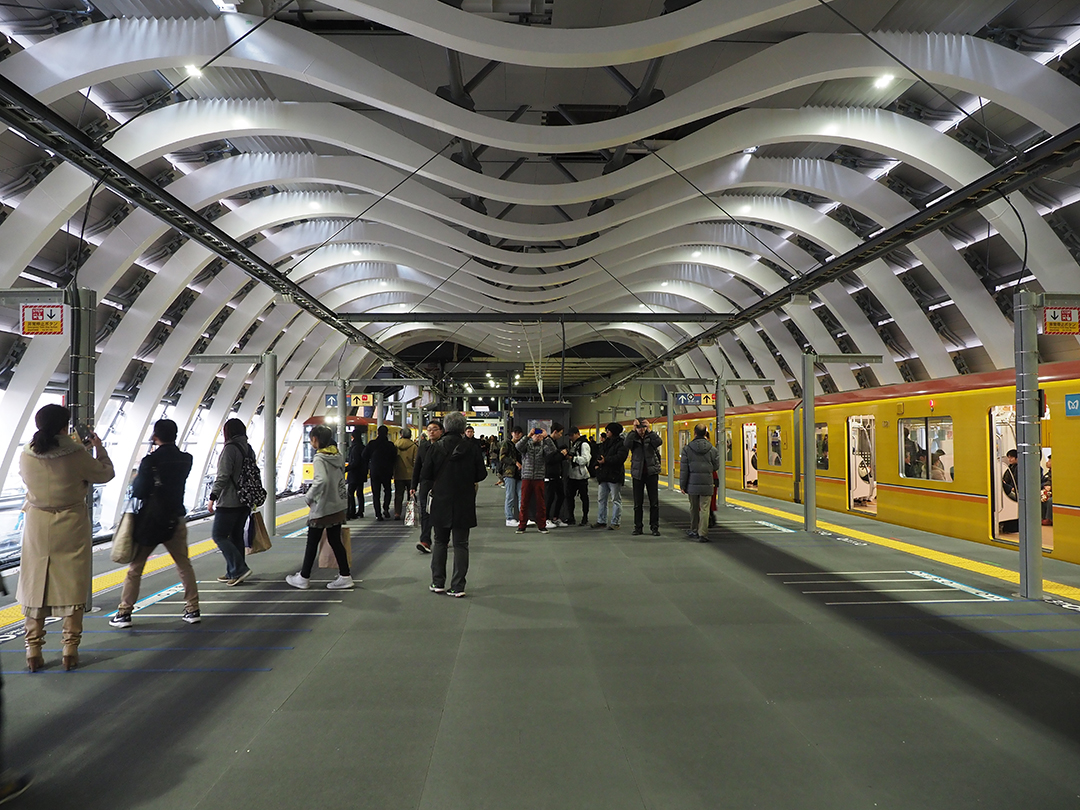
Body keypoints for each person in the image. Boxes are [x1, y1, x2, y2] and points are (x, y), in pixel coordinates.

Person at [19, 404, 115, 672]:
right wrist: (99, 449)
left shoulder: (26, 454)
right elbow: (105, 473)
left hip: (37, 524)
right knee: (72, 584)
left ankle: (33, 650)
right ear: (65, 426)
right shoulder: (77, 454)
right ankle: (69, 649)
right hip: (71, 523)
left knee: (35, 585)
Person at [109, 419, 200, 628]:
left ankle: (124, 612)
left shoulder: (150, 461)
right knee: (183, 564)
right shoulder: (186, 459)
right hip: (175, 518)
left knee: (135, 568)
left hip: (151, 521)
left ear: (155, 436)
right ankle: (192, 608)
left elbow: (139, 490)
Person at [421, 411, 487, 597]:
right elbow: (481, 474)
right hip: (464, 500)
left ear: (446, 427)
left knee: (440, 542)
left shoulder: (435, 447)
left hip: (441, 499)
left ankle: (437, 581)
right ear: (463, 427)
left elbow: (425, 474)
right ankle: (458, 586)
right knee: (461, 544)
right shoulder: (472, 447)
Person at [286, 425, 352, 590]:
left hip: (323, 506)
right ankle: (345, 575)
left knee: (312, 541)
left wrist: (309, 497)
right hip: (337, 505)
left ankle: (304, 577)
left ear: (315, 439)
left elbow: (321, 480)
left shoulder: (320, 458)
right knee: (335, 540)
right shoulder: (336, 455)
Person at [208, 418, 255, 586]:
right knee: (236, 536)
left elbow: (223, 476)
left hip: (228, 501)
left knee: (219, 535)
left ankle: (239, 569)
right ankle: (233, 572)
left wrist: (213, 496)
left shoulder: (229, 449)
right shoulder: (248, 449)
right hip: (244, 500)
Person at [624, 417, 663, 536]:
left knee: (654, 502)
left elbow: (659, 442)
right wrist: (632, 430)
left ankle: (654, 527)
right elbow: (626, 444)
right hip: (638, 474)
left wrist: (650, 430)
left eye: (643, 427)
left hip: (651, 473)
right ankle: (638, 527)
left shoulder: (650, 437)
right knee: (637, 503)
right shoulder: (633, 438)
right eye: (639, 427)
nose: (641, 430)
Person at [680, 425, 720, 542]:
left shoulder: (687, 449)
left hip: (692, 482)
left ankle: (693, 530)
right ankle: (703, 533)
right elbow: (716, 466)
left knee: (693, 508)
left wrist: (683, 485)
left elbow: (684, 469)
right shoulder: (713, 449)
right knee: (705, 508)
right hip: (707, 482)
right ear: (705, 433)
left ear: (695, 433)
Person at [515, 427, 556, 534]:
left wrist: (546, 437)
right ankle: (522, 525)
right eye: (535, 434)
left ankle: (542, 526)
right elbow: (518, 446)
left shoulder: (544, 446)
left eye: (539, 435)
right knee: (524, 502)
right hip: (526, 477)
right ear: (532, 435)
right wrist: (528, 436)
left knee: (541, 503)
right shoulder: (526, 445)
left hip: (539, 478)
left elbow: (553, 450)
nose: (537, 436)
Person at [411, 420, 443, 553]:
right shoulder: (423, 446)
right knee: (425, 512)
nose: (431, 431)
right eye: (429, 429)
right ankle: (425, 541)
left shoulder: (445, 446)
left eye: (434, 429)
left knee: (441, 512)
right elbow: (417, 466)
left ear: (441, 431)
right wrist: (413, 485)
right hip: (425, 484)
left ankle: (442, 538)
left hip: (441, 484)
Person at [594, 423, 627, 530]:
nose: (606, 432)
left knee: (615, 499)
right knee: (601, 499)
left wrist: (605, 460)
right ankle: (601, 520)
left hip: (614, 475)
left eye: (608, 430)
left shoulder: (622, 444)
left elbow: (620, 458)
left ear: (613, 432)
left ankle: (615, 522)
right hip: (604, 475)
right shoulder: (605, 443)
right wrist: (598, 463)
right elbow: (600, 454)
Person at [363, 424, 397, 520]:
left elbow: (364, 455)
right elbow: (395, 458)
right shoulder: (390, 445)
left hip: (375, 471)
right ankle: (385, 508)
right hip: (387, 471)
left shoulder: (372, 444)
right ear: (387, 433)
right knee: (387, 490)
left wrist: (370, 463)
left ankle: (378, 514)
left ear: (377, 433)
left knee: (376, 493)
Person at [565, 427, 592, 526]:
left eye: (571, 435)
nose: (570, 438)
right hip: (572, 475)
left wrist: (573, 458)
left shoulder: (584, 444)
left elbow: (585, 459)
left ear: (577, 434)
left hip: (581, 476)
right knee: (569, 497)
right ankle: (571, 517)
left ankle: (585, 517)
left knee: (584, 497)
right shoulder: (575, 444)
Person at [544, 423, 568, 527]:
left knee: (561, 496)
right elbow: (549, 459)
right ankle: (546, 519)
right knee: (549, 498)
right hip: (550, 474)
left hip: (557, 474)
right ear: (555, 432)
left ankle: (555, 517)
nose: (561, 435)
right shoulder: (548, 443)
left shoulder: (554, 442)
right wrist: (561, 454)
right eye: (560, 433)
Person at [500, 426, 524, 527]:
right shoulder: (507, 443)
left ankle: (521, 517)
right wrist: (515, 462)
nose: (517, 434)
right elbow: (502, 457)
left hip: (520, 473)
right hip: (509, 473)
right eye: (515, 432)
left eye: (519, 433)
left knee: (521, 496)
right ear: (512, 434)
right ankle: (509, 517)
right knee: (510, 496)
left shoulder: (522, 444)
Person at [392, 427, 419, 520]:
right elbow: (416, 461)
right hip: (411, 474)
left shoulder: (395, 445)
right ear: (410, 435)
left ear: (401, 435)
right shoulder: (414, 446)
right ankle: (410, 514)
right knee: (410, 495)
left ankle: (397, 513)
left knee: (398, 494)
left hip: (398, 474)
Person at [346, 426, 367, 520]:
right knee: (360, 493)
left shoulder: (354, 448)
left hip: (354, 474)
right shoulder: (363, 447)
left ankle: (351, 512)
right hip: (361, 473)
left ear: (353, 437)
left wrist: (346, 469)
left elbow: (354, 462)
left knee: (350, 492)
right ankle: (361, 511)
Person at [1042, 455, 1053, 526]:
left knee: (1050, 501)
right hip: (1049, 491)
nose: (1047, 462)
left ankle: (1049, 519)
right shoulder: (1049, 472)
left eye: (1049, 461)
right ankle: (1042, 517)